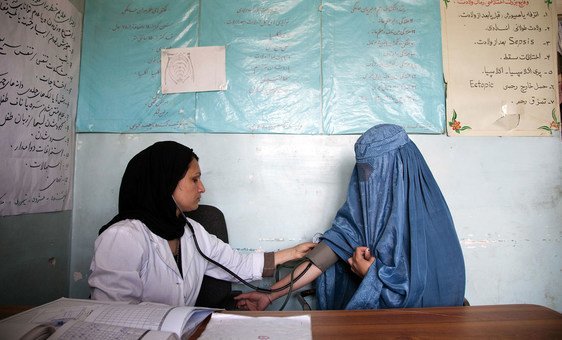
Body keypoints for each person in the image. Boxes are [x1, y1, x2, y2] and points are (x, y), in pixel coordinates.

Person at [235, 124, 466, 311]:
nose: (369, 181)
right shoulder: (361, 212)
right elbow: (322, 258)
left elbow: (438, 302)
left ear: (400, 170)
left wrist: (370, 275)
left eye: (376, 172)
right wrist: (269, 294)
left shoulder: (433, 222)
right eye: (363, 172)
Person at [88, 141, 315, 306]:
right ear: (165, 182)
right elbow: (113, 319)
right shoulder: (123, 237)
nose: (202, 188)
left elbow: (238, 265)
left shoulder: (190, 231)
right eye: (194, 179)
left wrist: (293, 252)